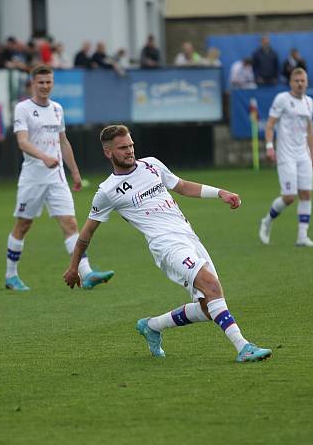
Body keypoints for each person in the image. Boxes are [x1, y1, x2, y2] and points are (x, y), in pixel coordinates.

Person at [63, 124, 272, 363]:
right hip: (166, 246)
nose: (130, 151)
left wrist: (220, 193)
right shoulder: (107, 191)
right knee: (212, 286)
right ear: (108, 152)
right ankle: (243, 347)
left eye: (131, 145)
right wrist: (74, 267)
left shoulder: (152, 164)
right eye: (123, 148)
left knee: (207, 306)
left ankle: (152, 326)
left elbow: (181, 186)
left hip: (188, 236)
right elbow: (86, 233)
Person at [5, 65, 114, 292]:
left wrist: (74, 171)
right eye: (41, 82)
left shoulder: (57, 109)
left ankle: (87, 273)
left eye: (48, 82)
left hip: (57, 177)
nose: (45, 86)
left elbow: (63, 142)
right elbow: (22, 141)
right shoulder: (23, 109)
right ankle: (11, 275)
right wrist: (44, 157)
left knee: (71, 223)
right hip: (33, 177)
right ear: (33, 83)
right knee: (23, 225)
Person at [259, 68, 313, 247]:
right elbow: (270, 126)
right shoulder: (282, 99)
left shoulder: (309, 102)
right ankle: (267, 221)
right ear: (291, 83)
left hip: (303, 155)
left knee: (306, 194)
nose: (300, 84)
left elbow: (309, 131)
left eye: (303, 81)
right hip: (286, 155)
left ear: (307, 83)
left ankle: (302, 237)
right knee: (289, 197)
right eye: (297, 81)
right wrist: (269, 147)